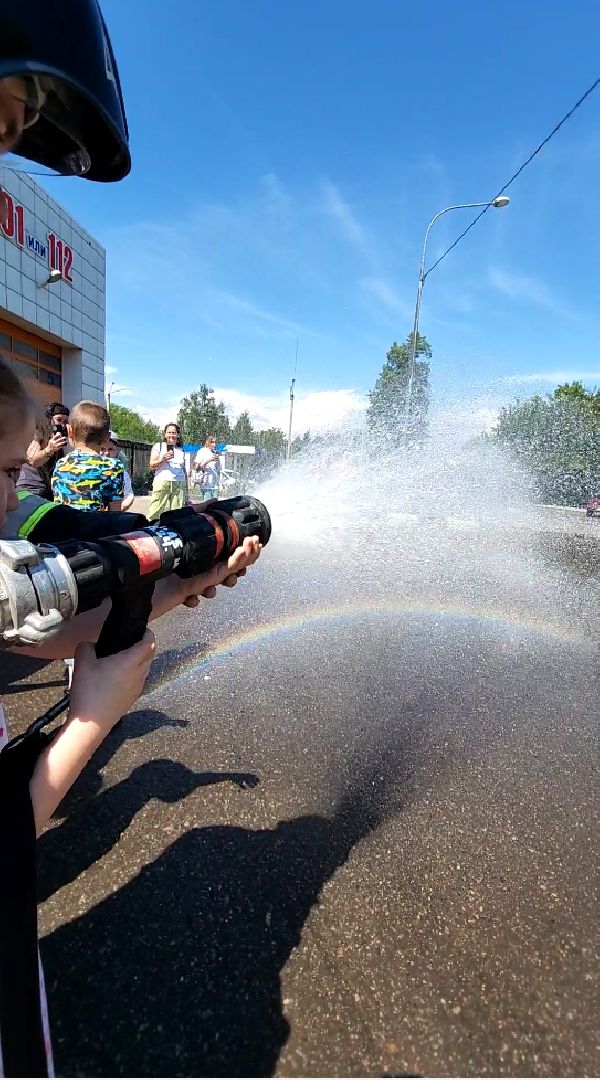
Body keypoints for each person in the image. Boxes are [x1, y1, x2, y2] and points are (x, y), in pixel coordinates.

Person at [0, 5, 262, 1072]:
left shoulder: (46, 501)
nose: (7, 150)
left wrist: (146, 583)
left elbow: (33, 596)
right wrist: (84, 729)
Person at [52, 401, 124, 513]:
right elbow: (115, 513)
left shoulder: (61, 464)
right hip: (96, 529)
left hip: (63, 529)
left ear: (69, 431)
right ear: (107, 438)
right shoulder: (113, 466)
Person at [16, 402, 69, 500]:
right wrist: (49, 449)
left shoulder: (57, 438)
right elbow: (32, 461)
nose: (62, 425)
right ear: (48, 419)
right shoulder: (37, 435)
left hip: (47, 490)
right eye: (59, 420)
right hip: (30, 489)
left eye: (65, 421)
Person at [148, 422, 188, 520]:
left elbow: (183, 469)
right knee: (155, 511)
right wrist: (163, 459)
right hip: (162, 481)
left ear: (177, 435)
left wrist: (186, 488)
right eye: (169, 432)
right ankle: (149, 529)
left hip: (179, 483)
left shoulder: (181, 450)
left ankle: (174, 532)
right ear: (165, 434)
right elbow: (152, 465)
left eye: (174, 433)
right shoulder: (159, 446)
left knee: (177, 513)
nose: (171, 435)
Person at [106, 431, 134, 511]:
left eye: (110, 449)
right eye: (102, 448)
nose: (107, 453)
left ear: (116, 451)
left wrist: (119, 509)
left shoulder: (122, 473)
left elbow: (129, 496)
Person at [194, 435, 222, 500]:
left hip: (215, 485)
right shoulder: (202, 451)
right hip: (206, 484)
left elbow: (218, 470)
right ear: (207, 443)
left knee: (215, 506)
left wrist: (220, 481)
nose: (214, 445)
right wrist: (209, 460)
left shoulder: (215, 453)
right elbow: (197, 468)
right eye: (212, 442)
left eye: (215, 442)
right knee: (207, 505)